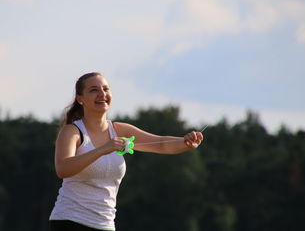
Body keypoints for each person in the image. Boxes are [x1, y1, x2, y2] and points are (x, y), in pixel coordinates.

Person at [49, 72, 203, 231]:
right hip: (70, 221)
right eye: (94, 90)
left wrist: (186, 142)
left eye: (106, 89)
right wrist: (103, 149)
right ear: (80, 99)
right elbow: (63, 168)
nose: (102, 94)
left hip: (105, 224)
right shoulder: (72, 132)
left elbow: (161, 144)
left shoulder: (120, 130)